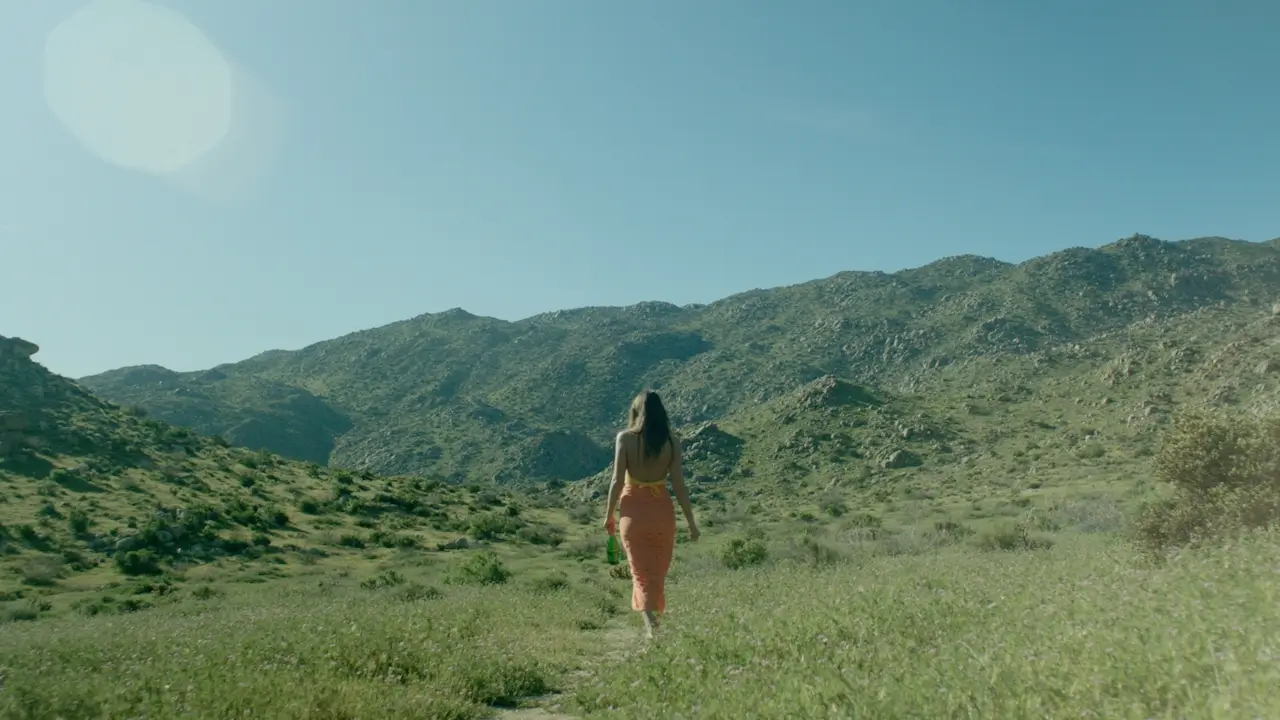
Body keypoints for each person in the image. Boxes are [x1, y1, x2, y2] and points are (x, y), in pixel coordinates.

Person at [603, 390, 699, 640]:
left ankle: (651, 630)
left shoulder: (625, 439)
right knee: (657, 573)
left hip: (633, 512)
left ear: (636, 412)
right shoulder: (671, 442)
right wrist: (691, 522)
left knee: (640, 573)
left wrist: (609, 514)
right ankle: (653, 626)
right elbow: (679, 484)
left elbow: (616, 481)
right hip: (662, 513)